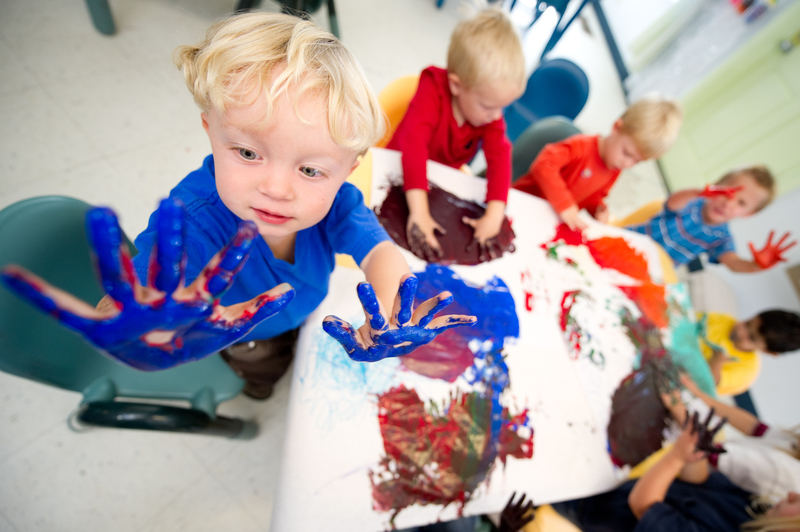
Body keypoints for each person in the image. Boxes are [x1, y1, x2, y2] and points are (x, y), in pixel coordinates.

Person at [0, 12, 476, 398]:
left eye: (310, 170)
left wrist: (397, 315)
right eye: (248, 153)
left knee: (295, 333)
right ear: (211, 130)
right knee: (263, 367)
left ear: (348, 170)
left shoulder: (336, 204)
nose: (276, 188)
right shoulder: (191, 220)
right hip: (240, 336)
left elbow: (378, 253)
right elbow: (152, 275)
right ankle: (257, 387)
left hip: (301, 310)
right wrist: (128, 320)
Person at [386, 8, 525, 261]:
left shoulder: (487, 113)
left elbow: (500, 157)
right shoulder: (432, 89)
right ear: (456, 85)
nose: (496, 116)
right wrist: (419, 212)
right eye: (488, 106)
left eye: (502, 107)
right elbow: (413, 147)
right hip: (395, 173)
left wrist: (495, 212)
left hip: (438, 183)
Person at [512, 96, 683, 231]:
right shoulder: (582, 147)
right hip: (520, 204)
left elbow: (594, 194)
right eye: (627, 153)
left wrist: (598, 210)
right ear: (616, 128)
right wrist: (565, 205)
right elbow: (544, 164)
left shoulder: (615, 167)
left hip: (546, 219)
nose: (628, 164)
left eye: (637, 161)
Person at [627, 165, 797, 272]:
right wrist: (699, 192)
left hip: (652, 269)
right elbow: (673, 202)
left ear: (748, 214)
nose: (729, 203)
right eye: (728, 192)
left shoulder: (722, 238)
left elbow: (733, 263)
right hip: (628, 240)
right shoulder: (693, 202)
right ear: (716, 185)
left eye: (741, 203)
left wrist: (756, 266)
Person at [697, 309, 800, 396]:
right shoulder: (726, 320)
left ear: (768, 352)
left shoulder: (748, 369)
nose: (740, 331)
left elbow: (708, 383)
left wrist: (717, 361)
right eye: (747, 323)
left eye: (751, 338)